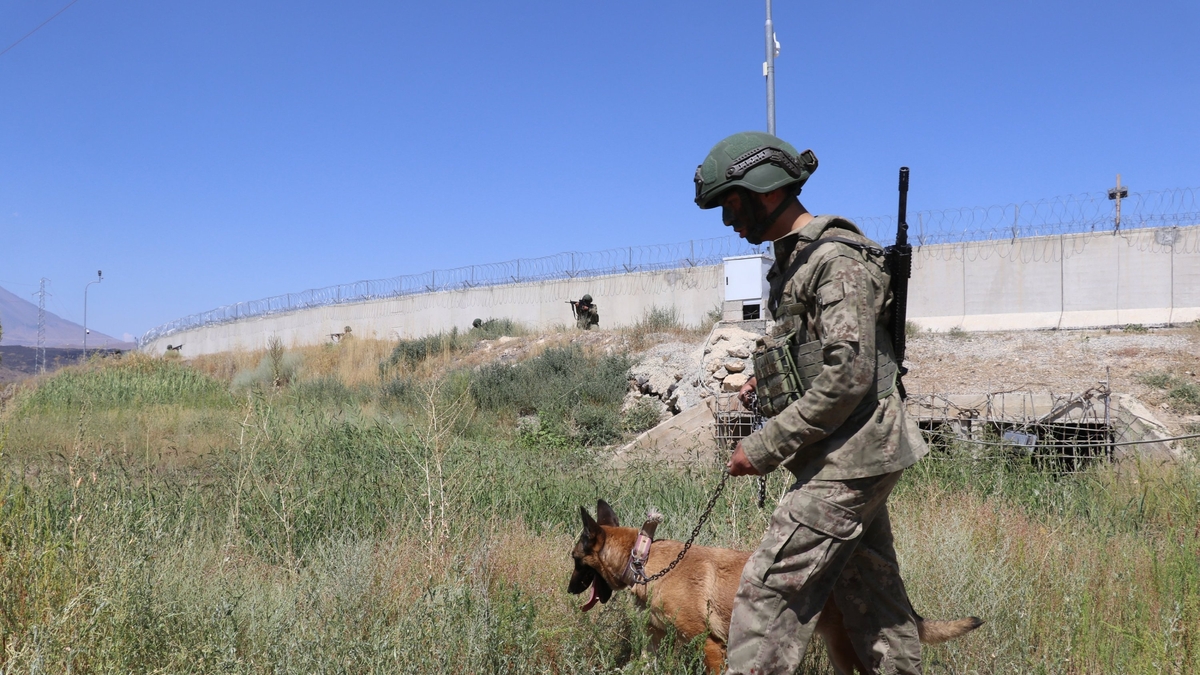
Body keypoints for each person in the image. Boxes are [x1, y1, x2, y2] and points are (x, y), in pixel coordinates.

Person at [693, 131, 928, 674]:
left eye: (732, 203)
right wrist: (764, 378)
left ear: (767, 191)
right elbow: (813, 352)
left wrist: (765, 446)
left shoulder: (833, 261)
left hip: (850, 457)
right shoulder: (794, 263)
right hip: (851, 451)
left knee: (768, 593)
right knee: (875, 606)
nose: (730, 220)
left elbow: (850, 375)